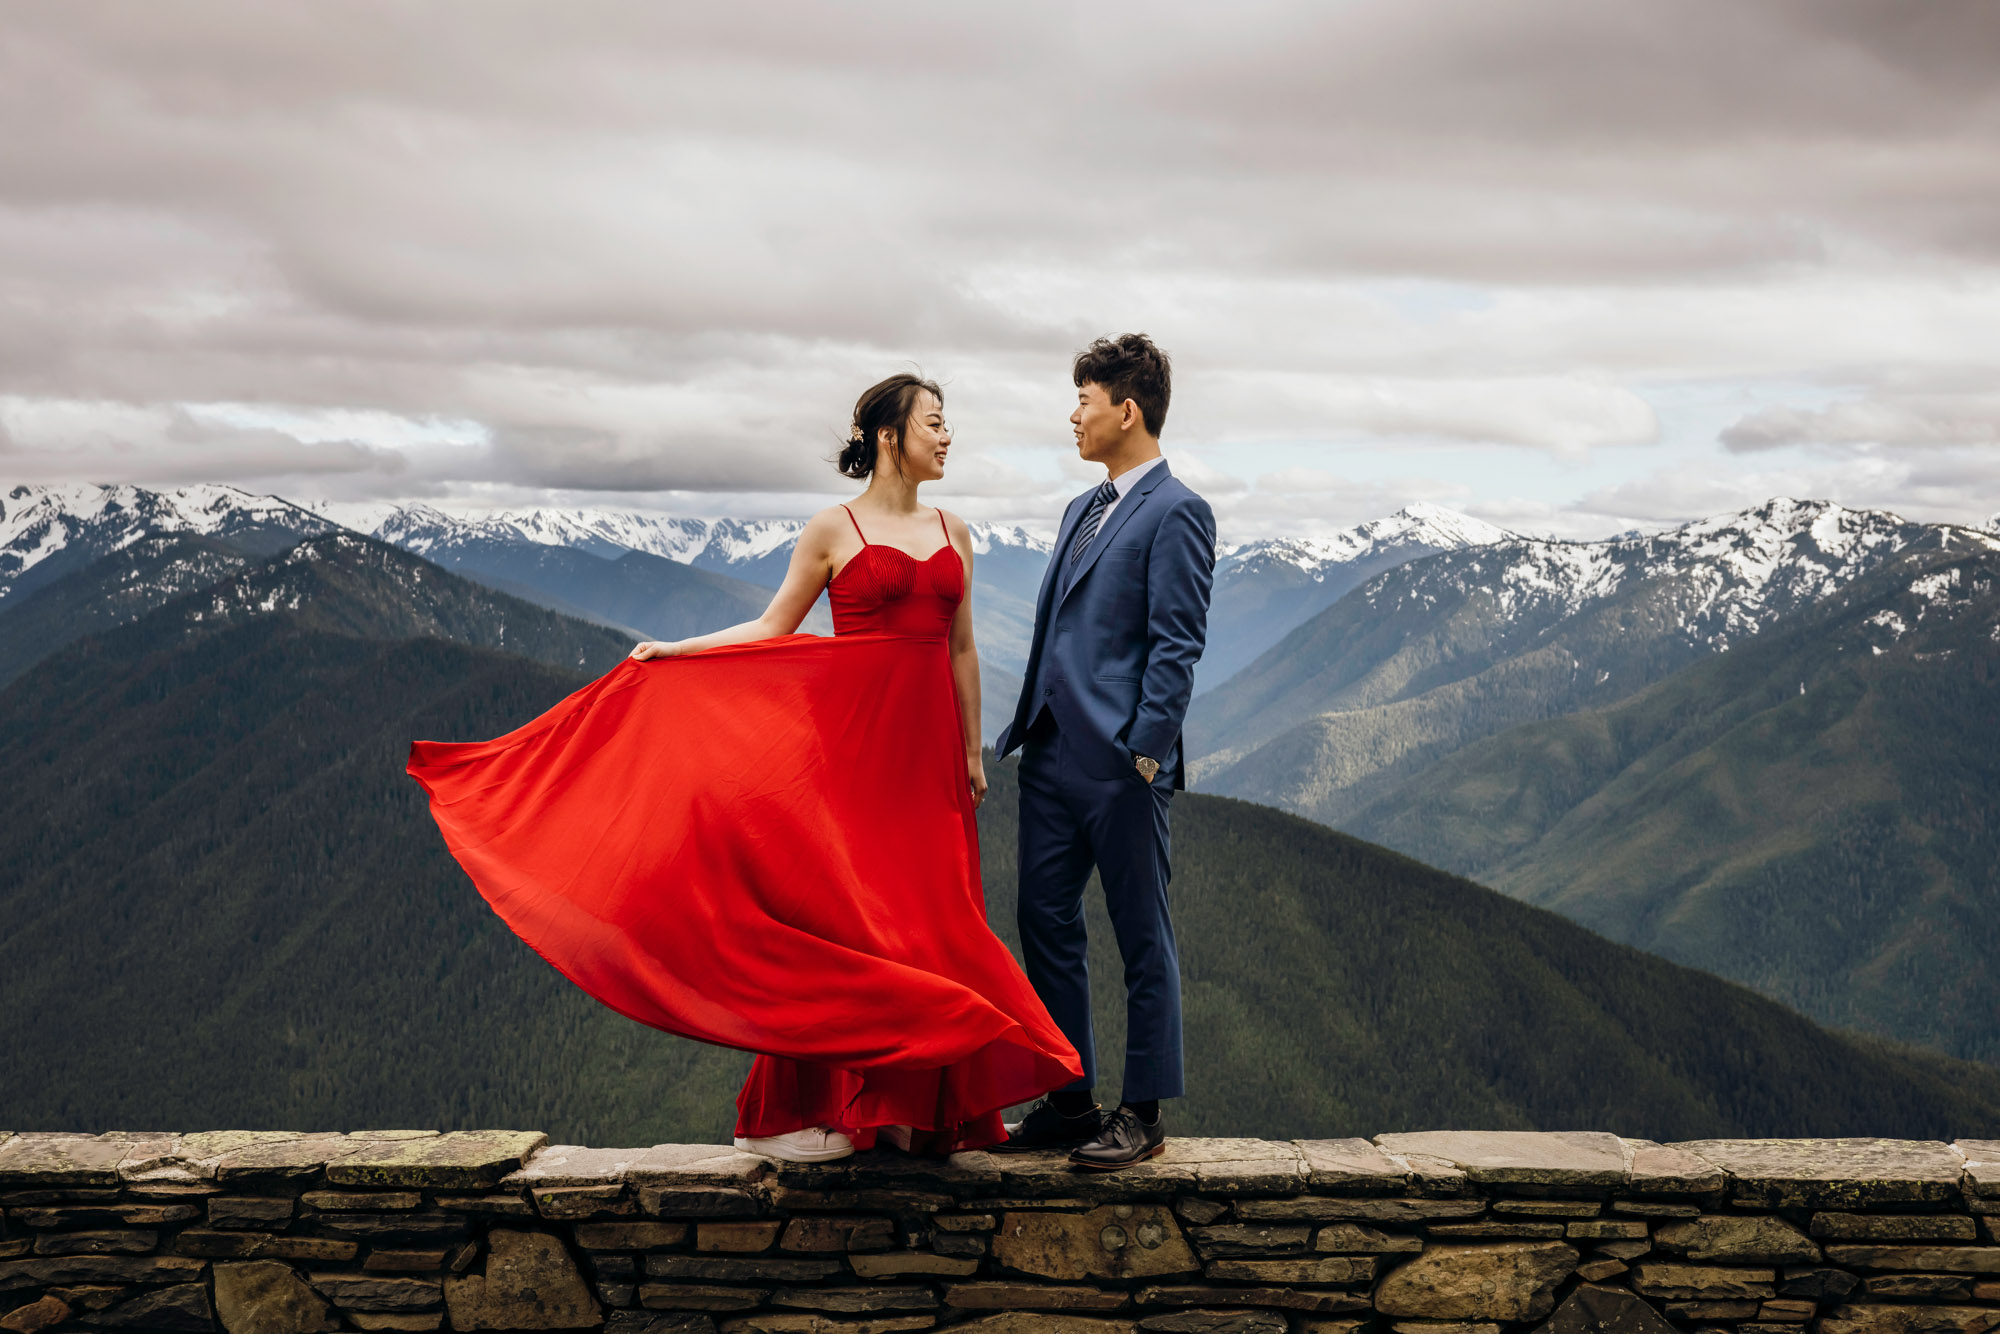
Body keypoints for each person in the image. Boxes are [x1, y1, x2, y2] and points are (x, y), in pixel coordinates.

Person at [407, 373, 1082, 1164]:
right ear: (889, 437)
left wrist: (970, 750)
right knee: (856, 928)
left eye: (948, 422)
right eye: (934, 422)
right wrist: (678, 653)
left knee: (933, 924)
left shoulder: (955, 530)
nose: (948, 435)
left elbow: (961, 648)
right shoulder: (834, 528)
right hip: (854, 757)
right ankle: (817, 1110)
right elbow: (773, 626)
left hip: (930, 760)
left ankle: (911, 1109)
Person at [992, 334, 1215, 1170]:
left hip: (1122, 766)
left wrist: (1145, 756)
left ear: (1127, 409)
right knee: (1043, 921)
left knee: (1140, 934)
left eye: (1083, 400)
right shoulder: (1082, 509)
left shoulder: (1179, 510)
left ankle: (1144, 1111)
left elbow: (1177, 645)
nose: (1072, 416)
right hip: (1048, 757)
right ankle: (1070, 1099)